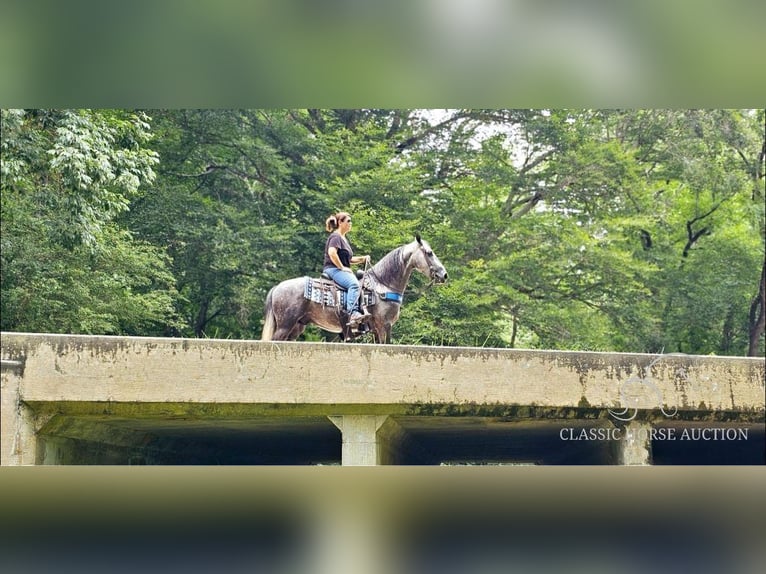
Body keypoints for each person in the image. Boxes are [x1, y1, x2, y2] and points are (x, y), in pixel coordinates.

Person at [323, 212, 371, 325]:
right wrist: (342, 268)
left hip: (338, 269)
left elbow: (349, 259)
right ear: (340, 222)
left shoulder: (343, 239)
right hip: (333, 269)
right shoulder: (336, 236)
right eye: (348, 221)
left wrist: (363, 258)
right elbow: (332, 253)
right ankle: (353, 313)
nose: (351, 223)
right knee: (354, 284)